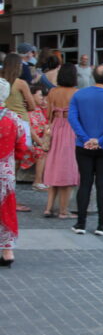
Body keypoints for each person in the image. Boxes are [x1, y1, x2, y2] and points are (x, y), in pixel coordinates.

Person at [68, 65, 103, 236]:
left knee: (84, 183)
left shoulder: (79, 95)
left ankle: (80, 223)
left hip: (83, 145)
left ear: (93, 77)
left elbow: (72, 118)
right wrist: (100, 140)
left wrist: (86, 138)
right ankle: (102, 225)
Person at [43, 63, 80, 218]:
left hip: (56, 128)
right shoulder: (76, 93)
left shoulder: (52, 91)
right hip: (70, 129)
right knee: (68, 169)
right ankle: (63, 211)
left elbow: (48, 114)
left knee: (54, 167)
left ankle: (48, 207)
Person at [0, 77, 30, 267]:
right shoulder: (13, 118)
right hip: (6, 170)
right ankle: (7, 251)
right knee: (6, 207)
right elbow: (22, 145)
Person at [23, 85, 51, 192]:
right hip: (32, 141)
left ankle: (47, 180)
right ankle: (38, 181)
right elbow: (30, 130)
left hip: (41, 140)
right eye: (40, 96)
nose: (42, 99)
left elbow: (45, 126)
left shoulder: (39, 109)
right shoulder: (26, 109)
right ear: (32, 95)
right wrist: (41, 143)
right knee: (41, 151)